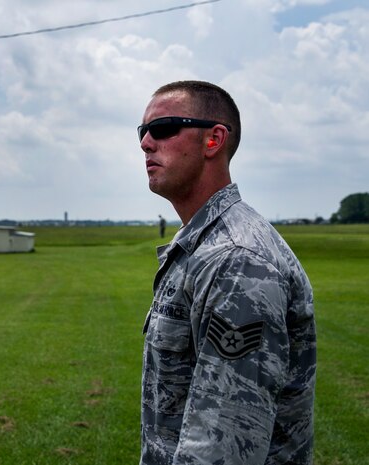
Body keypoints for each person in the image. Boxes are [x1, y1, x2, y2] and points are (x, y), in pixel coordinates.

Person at [138, 80, 316, 465]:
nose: (146, 143)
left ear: (214, 140)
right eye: (143, 131)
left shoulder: (237, 259)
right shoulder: (201, 245)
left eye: (163, 127)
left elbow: (222, 448)